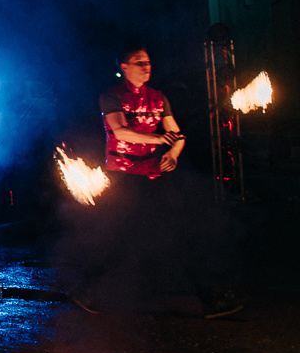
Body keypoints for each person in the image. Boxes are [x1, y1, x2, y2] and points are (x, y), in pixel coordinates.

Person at [80, 45, 242, 318]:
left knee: (178, 232)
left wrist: (173, 154)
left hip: (152, 176)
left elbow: (177, 134)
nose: (146, 67)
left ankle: (210, 298)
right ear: (124, 67)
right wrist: (158, 139)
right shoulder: (111, 96)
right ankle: (88, 291)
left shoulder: (158, 98)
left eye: (148, 62)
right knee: (117, 237)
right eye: (139, 62)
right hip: (123, 179)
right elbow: (120, 131)